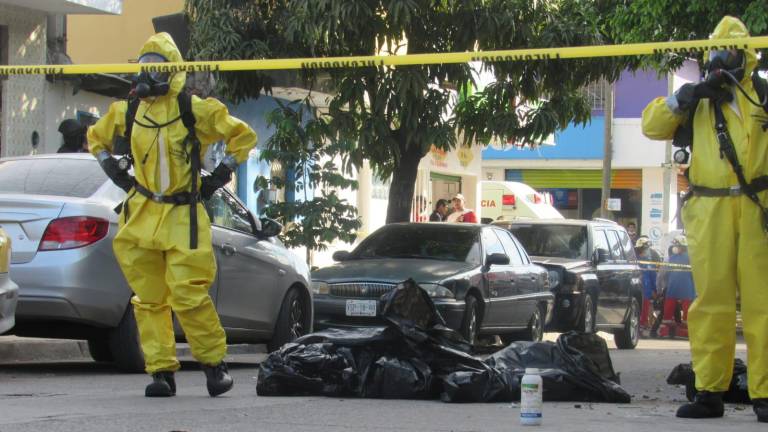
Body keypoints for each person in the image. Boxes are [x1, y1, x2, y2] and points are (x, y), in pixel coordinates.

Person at [88, 33, 257, 398]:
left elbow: (243, 136)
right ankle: (161, 372)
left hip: (183, 215)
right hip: (142, 213)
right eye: (143, 67)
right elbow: (95, 138)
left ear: (171, 70)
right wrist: (113, 171)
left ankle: (214, 365)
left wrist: (220, 174)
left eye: (156, 67)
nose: (147, 75)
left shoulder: (192, 109)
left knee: (188, 294)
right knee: (148, 299)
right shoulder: (129, 111)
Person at [642, 16, 768, 422]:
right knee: (710, 302)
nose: (719, 60)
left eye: (728, 51)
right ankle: (710, 392)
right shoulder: (696, 101)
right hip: (709, 209)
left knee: (762, 304)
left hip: (757, 209)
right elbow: (651, 125)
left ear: (746, 55)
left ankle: (765, 394)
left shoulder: (762, 95)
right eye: (713, 52)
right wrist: (688, 95)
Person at [656, 236, 696, 339]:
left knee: (674, 312)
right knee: (671, 313)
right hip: (683, 290)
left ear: (682, 246)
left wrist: (660, 288)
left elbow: (662, 274)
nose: (675, 247)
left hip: (676, 289)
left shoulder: (671, 258)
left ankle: (673, 331)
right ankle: (678, 331)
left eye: (676, 245)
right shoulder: (690, 258)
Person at [634, 236, 661, 336]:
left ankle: (641, 327)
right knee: (642, 310)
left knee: (644, 310)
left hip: (644, 291)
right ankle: (640, 327)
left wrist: (655, 289)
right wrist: (655, 289)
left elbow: (653, 277)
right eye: (646, 249)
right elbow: (653, 277)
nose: (647, 251)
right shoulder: (643, 262)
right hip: (642, 291)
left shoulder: (639, 261)